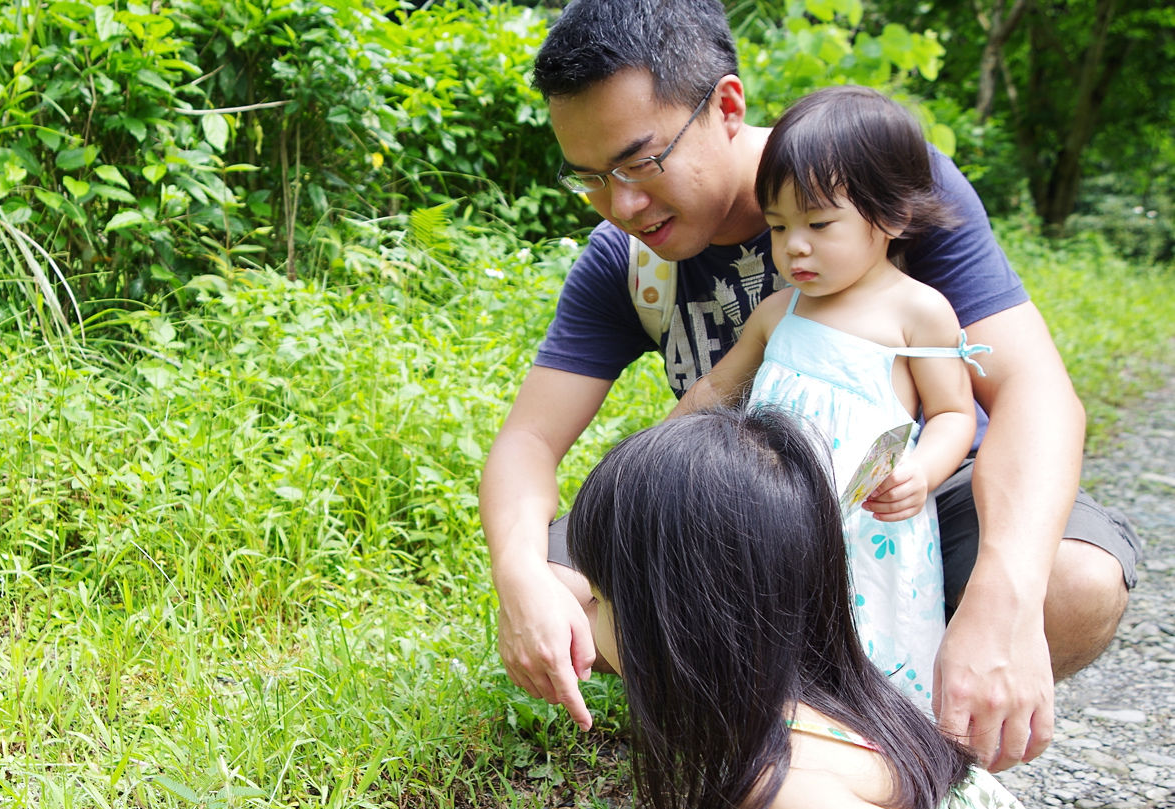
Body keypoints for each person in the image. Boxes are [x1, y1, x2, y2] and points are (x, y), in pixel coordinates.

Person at [479, 0, 1142, 769]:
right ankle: (800, 737)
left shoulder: (874, 178)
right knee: (560, 576)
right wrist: (518, 573)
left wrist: (1005, 588)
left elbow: (1036, 393)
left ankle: (921, 729)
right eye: (592, 179)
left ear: (725, 107)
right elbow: (528, 440)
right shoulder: (622, 260)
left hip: (905, 504)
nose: (622, 204)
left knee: (1074, 580)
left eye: (639, 162)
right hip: (751, 517)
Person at [567, 408, 1151, 809]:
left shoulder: (784, 783)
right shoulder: (833, 695)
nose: (587, 614)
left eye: (596, 595)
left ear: (672, 624)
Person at [672, 85, 986, 711]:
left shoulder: (918, 311)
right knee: (772, 650)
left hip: (869, 528)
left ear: (893, 216)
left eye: (818, 224)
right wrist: (660, 446)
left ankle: (894, 756)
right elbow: (713, 391)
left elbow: (952, 412)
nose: (795, 246)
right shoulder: (779, 310)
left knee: (873, 656)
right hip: (773, 518)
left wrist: (919, 474)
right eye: (780, 226)